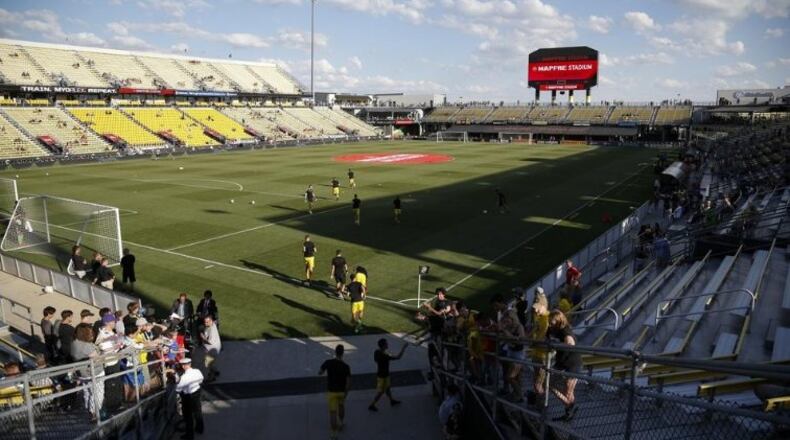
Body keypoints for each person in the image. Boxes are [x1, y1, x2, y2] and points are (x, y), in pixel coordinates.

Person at [547, 309, 582, 421]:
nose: (549, 323)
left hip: (572, 363)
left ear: (559, 320)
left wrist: (558, 344)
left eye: (552, 321)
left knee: (568, 390)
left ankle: (568, 412)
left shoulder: (565, 331)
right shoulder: (554, 330)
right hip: (561, 362)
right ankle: (570, 406)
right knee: (549, 382)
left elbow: (570, 344)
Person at [71, 323, 104, 420]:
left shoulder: (74, 343)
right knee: (97, 393)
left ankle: (89, 411)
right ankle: (94, 413)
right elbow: (96, 358)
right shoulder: (86, 345)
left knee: (87, 392)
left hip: (82, 373)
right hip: (93, 373)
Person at [319, 344, 351, 440]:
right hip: (341, 392)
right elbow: (348, 383)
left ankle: (334, 434)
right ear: (342, 353)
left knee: (333, 413)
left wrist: (323, 372)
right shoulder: (346, 366)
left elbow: (320, 372)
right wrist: (346, 393)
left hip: (331, 392)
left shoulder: (328, 362)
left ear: (335, 352)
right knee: (341, 407)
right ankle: (341, 423)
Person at [368, 338, 407, 411]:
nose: (387, 344)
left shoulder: (377, 352)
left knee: (388, 389)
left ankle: (392, 401)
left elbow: (376, 360)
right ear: (383, 346)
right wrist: (404, 348)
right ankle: (372, 405)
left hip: (383, 375)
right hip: (382, 376)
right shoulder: (385, 356)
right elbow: (398, 357)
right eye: (386, 344)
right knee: (381, 392)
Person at [528, 288, 550, 406]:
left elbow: (543, 338)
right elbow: (534, 330)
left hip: (543, 355)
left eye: (537, 308)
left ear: (543, 306)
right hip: (536, 353)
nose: (535, 311)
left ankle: (542, 404)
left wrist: (534, 342)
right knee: (535, 380)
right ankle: (539, 402)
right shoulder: (540, 317)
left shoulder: (547, 319)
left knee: (539, 382)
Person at [175, 358, 204, 440]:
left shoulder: (184, 377)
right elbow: (201, 380)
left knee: (188, 416)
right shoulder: (197, 371)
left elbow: (178, 389)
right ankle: (200, 428)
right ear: (190, 364)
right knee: (198, 411)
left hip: (188, 397)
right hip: (197, 392)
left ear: (183, 366)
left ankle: (189, 436)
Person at [200, 315, 221, 382]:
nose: (205, 323)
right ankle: (215, 371)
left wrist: (202, 336)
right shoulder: (213, 325)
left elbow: (208, 342)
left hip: (211, 349)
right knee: (211, 363)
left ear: (211, 321)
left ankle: (211, 378)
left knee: (208, 363)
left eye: (207, 322)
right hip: (215, 348)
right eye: (205, 322)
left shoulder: (211, 330)